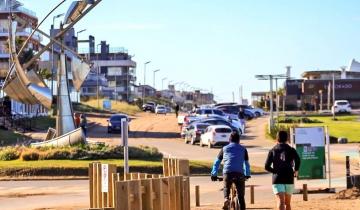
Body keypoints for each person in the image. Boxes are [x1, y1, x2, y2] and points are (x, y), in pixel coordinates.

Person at [211, 131, 251, 210]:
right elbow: (246, 164)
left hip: (227, 173)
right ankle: (241, 204)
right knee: (241, 197)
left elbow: (217, 162)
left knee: (226, 187)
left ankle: (226, 199)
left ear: (229, 140)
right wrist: (247, 174)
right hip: (239, 174)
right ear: (239, 140)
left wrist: (214, 174)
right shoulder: (243, 149)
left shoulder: (224, 148)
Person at [265, 130, 301, 210]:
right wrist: (296, 170)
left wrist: (275, 171)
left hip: (277, 178)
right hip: (289, 177)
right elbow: (298, 160)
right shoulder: (291, 149)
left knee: (280, 201)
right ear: (287, 139)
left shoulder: (272, 150)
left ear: (277, 139)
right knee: (287, 203)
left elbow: (266, 166)